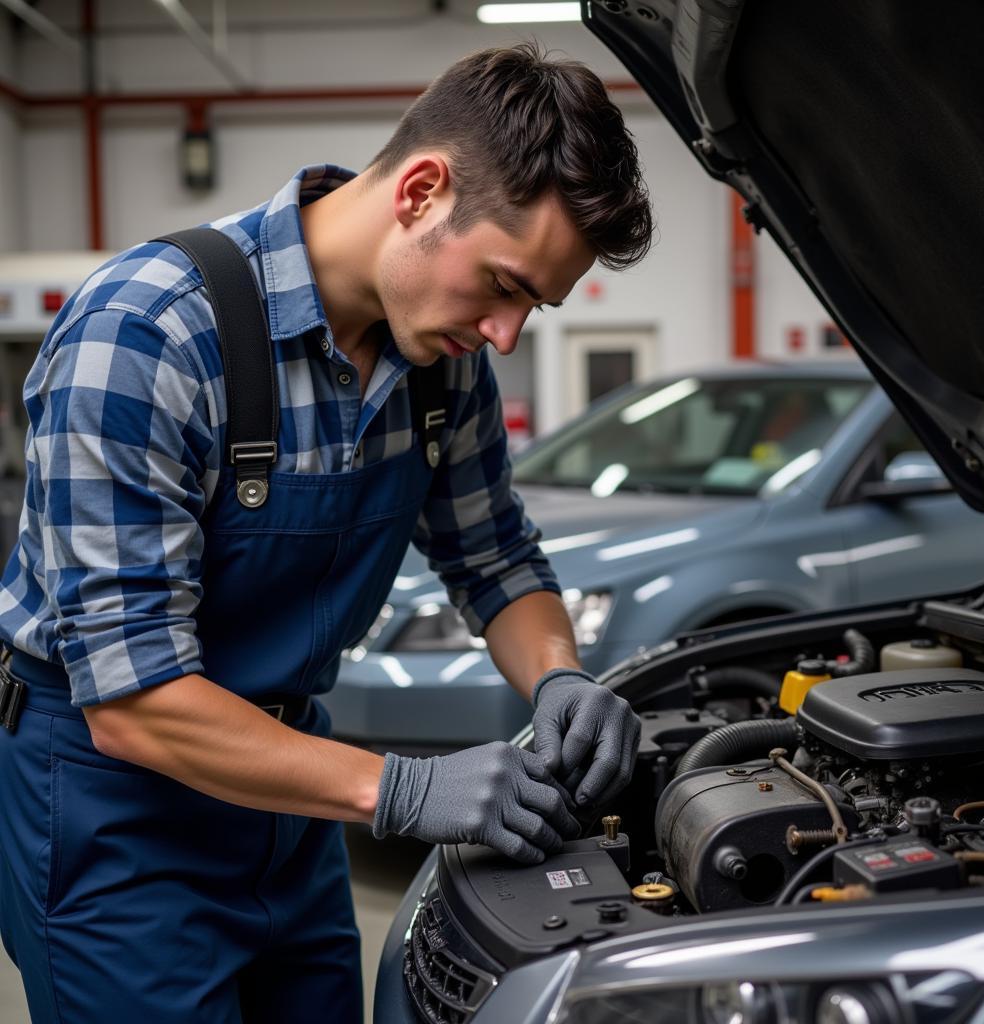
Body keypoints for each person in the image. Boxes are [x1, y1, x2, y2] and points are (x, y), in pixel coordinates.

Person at [0, 42, 653, 1023]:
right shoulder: (148, 333)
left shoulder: (442, 363)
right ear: (422, 190)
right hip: (113, 811)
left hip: (287, 793)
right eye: (506, 285)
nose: (508, 336)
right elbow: (131, 699)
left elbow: (495, 559)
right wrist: (398, 789)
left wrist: (560, 673)